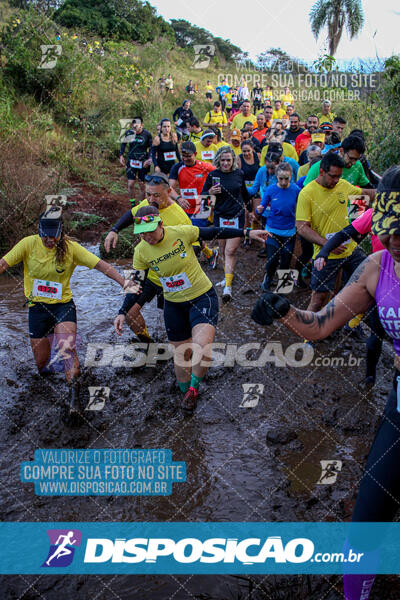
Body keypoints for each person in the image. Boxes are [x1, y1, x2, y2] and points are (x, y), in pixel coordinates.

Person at [251, 165, 400, 600]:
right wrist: (282, 311)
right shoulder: (376, 266)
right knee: (368, 522)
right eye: (387, 231)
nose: (393, 241)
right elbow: (319, 325)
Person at [131, 205, 267, 411]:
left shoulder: (180, 232)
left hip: (202, 297)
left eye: (150, 230)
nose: (147, 236)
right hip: (174, 305)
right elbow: (137, 284)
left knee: (202, 348)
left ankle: (193, 390)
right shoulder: (140, 251)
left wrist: (247, 231)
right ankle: (184, 391)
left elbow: (212, 232)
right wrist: (124, 311)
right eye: (142, 233)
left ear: (160, 224)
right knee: (181, 356)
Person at [0, 211, 128, 420]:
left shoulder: (71, 249)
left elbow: (101, 266)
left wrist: (124, 282)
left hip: (63, 307)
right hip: (37, 309)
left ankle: (74, 400)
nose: (50, 241)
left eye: (55, 236)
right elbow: (3, 265)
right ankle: (62, 375)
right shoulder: (27, 244)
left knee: (67, 347)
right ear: (38, 233)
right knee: (42, 365)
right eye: (46, 236)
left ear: (61, 232)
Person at [108, 173, 218, 343]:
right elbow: (131, 214)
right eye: (148, 194)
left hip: (173, 277)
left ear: (169, 192)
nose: (151, 199)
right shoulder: (147, 206)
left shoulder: (179, 217)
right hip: (148, 273)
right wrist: (114, 230)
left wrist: (171, 256)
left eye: (156, 195)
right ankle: (148, 344)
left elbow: (196, 244)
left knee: (178, 325)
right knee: (128, 312)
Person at [296, 152, 376, 313]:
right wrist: (328, 245)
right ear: (321, 172)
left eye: (339, 176)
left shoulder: (343, 185)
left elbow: (366, 195)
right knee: (318, 299)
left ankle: (342, 326)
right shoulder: (307, 193)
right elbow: (301, 227)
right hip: (325, 253)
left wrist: (387, 194)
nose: (336, 180)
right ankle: (309, 335)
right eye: (333, 176)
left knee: (368, 282)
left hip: (349, 249)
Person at [314, 206, 386, 385]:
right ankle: (370, 377)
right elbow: (345, 233)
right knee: (376, 334)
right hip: (383, 278)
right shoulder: (375, 213)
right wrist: (325, 251)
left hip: (383, 277)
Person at [201, 146, 254, 301]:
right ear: (218, 160)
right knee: (223, 249)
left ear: (233, 161)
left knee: (230, 251)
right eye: (223, 160)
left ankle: (228, 288)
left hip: (236, 216)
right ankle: (227, 277)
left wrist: (250, 210)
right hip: (220, 217)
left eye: (228, 160)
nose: (225, 163)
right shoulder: (213, 175)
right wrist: (210, 192)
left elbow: (245, 193)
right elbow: (203, 197)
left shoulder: (239, 174)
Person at [255, 162, 299, 291]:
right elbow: (260, 209)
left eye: (287, 178)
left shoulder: (296, 190)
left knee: (286, 261)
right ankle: (268, 279)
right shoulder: (272, 189)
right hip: (272, 230)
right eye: (281, 178)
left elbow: (302, 209)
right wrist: (258, 210)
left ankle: (284, 290)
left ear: (291, 176)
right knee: (272, 260)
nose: (284, 182)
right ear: (276, 177)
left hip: (289, 232)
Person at [304, 135, 371, 187]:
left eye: (356, 159)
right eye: (351, 158)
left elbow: (367, 188)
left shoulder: (357, 166)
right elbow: (305, 193)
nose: (354, 163)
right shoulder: (318, 167)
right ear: (341, 151)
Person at [119, 117, 152, 203]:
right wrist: (121, 155)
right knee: (130, 184)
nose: (135, 127)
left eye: (137, 125)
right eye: (134, 126)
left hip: (142, 162)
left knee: (142, 185)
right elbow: (123, 144)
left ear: (142, 125)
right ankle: (133, 204)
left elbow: (152, 148)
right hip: (131, 161)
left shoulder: (147, 135)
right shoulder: (129, 133)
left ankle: (141, 204)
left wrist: (149, 159)